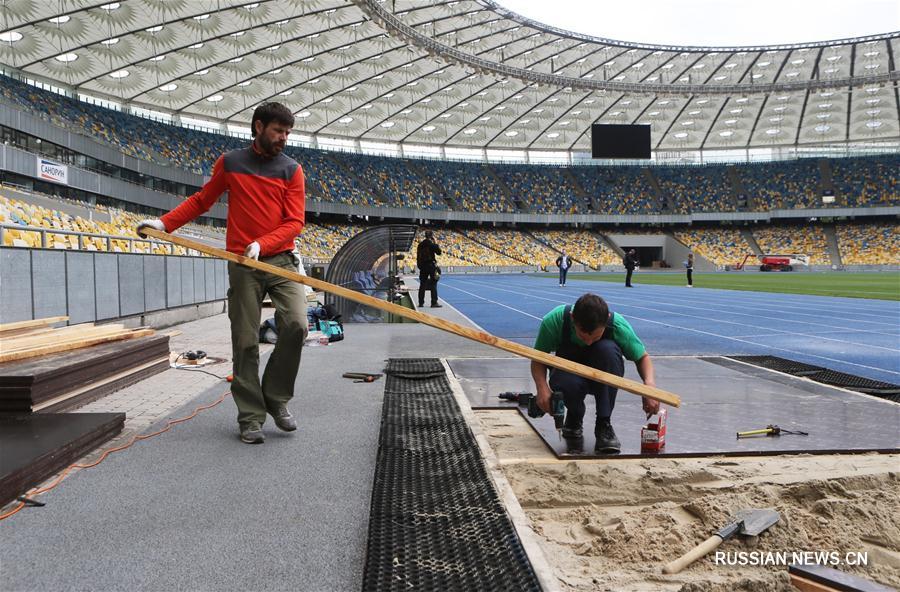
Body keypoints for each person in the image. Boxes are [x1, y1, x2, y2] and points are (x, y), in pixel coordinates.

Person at [136, 102, 307, 445]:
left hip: (280, 260)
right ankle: (251, 417)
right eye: (278, 131)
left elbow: (294, 222)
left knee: (297, 325)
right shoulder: (230, 162)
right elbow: (202, 200)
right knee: (245, 340)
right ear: (258, 126)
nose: (284, 138)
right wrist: (164, 224)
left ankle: (276, 397)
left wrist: (262, 242)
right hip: (243, 263)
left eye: (288, 133)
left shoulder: (292, 170)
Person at [530, 293, 659, 454]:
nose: (588, 342)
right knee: (564, 381)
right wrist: (542, 388)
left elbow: (642, 358)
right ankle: (575, 415)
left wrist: (649, 386)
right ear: (572, 318)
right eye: (582, 336)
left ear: (607, 319)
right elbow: (538, 359)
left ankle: (604, 424)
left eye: (595, 337)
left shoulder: (618, 325)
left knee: (608, 351)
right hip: (569, 375)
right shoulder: (555, 320)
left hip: (602, 377)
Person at [416, 229, 442, 308]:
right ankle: (434, 302)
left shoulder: (420, 245)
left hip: (423, 266)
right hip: (431, 266)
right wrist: (435, 243)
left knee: (422, 284)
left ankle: (421, 303)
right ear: (431, 236)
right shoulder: (431, 244)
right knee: (433, 283)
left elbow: (418, 257)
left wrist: (420, 266)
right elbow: (439, 252)